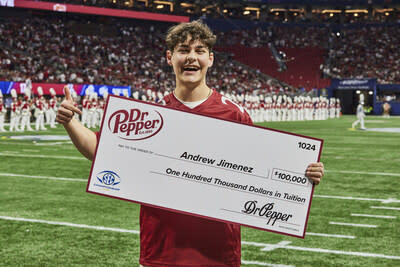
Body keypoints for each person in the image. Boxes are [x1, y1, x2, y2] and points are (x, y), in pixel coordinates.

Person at [56, 20, 324, 267]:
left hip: (219, 253)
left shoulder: (235, 114)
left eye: (199, 50)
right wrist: (71, 122)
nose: (191, 57)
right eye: (183, 50)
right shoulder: (150, 114)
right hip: (162, 252)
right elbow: (100, 150)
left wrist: (303, 173)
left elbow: (262, 173)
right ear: (169, 57)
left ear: (210, 58)